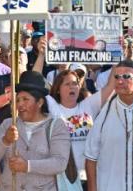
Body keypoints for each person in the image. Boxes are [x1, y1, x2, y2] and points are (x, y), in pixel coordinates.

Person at [33, 36, 115, 188]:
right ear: (58, 88)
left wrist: (117, 55)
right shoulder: (52, 106)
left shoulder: (88, 105)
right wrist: (41, 54)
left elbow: (111, 85)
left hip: (87, 177)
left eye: (75, 84)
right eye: (67, 84)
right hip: (61, 178)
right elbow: (34, 80)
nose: (72, 87)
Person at [0, 71, 70, 191]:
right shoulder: (8, 124)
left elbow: (60, 163)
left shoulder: (56, 126)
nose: (20, 104)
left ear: (40, 102)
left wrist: (28, 166)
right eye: (18, 100)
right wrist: (5, 140)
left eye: (25, 99)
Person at [85, 60, 133, 191]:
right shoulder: (102, 116)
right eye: (117, 77)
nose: (120, 81)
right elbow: (91, 159)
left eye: (126, 77)